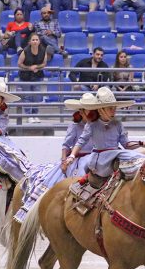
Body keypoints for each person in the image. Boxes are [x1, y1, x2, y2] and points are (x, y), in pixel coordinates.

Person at [14, 93, 99, 222]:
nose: (91, 113)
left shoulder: (98, 126)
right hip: (78, 159)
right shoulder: (75, 127)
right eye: (88, 110)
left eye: (93, 110)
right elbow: (66, 145)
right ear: (81, 112)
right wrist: (64, 160)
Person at [63, 87, 145, 186]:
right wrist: (71, 156)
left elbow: (126, 144)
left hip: (115, 154)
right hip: (100, 159)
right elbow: (81, 141)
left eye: (114, 108)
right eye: (110, 108)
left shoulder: (118, 124)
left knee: (142, 159)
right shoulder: (92, 125)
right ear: (101, 110)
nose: (113, 111)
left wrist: (140, 143)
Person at [17, 32, 49, 123]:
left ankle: (35, 115)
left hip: (37, 76)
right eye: (33, 40)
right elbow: (19, 64)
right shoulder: (25, 51)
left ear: (39, 41)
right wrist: (29, 68)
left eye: (36, 40)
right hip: (25, 76)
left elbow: (44, 63)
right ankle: (29, 116)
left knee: (36, 96)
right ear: (30, 42)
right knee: (27, 96)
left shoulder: (43, 50)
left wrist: (36, 67)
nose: (35, 41)